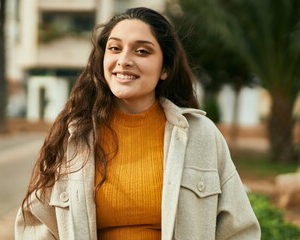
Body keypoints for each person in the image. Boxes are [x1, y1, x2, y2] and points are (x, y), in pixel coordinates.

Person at [15, 7, 260, 240]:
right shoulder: (72, 137)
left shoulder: (200, 135)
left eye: (142, 51)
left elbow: (239, 230)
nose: (124, 60)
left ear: (165, 68)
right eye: (114, 48)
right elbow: (35, 225)